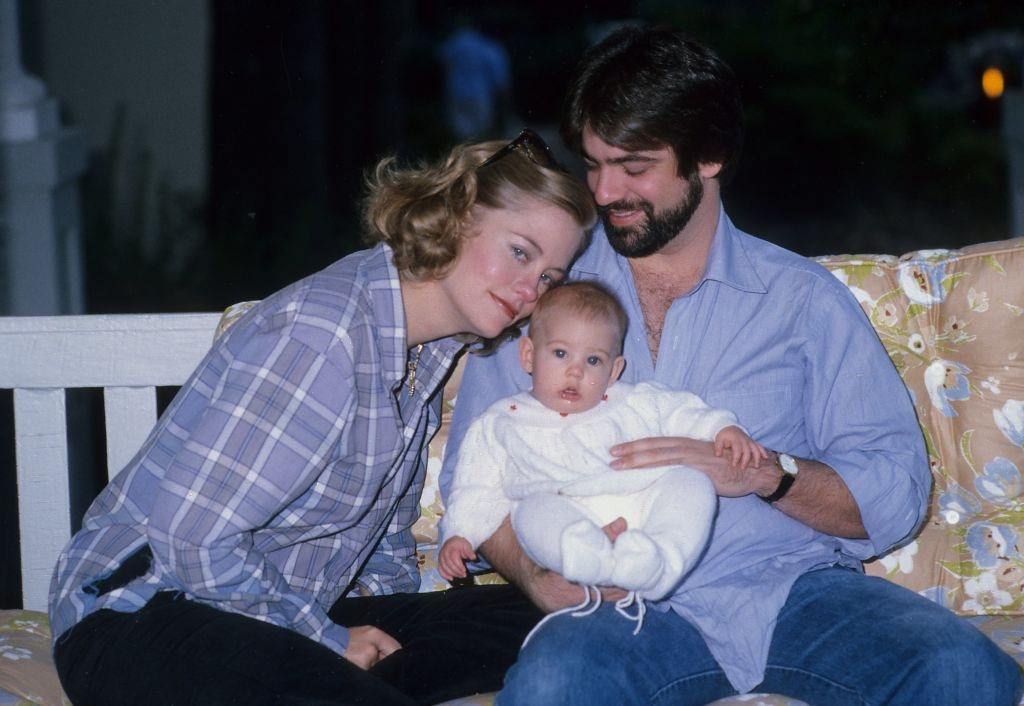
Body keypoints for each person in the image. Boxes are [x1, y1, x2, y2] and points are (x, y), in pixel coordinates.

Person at [441, 26, 1024, 706]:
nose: (603, 192)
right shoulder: (550, 292)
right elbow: (474, 474)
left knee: (961, 671)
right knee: (554, 684)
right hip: (618, 603)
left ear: (709, 155)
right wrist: (534, 575)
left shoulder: (800, 300)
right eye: (592, 164)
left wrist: (765, 474)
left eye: (633, 168)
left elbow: (894, 494)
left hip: (788, 593)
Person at [48, 130, 596, 706]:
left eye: (549, 278)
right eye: (520, 252)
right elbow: (190, 536)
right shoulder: (327, 336)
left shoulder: (424, 351)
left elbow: (383, 531)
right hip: (145, 614)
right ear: (456, 215)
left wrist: (379, 635)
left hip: (274, 608)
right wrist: (326, 639)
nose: (529, 289)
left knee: (548, 617)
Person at [438, 282, 765, 608]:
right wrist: (461, 533)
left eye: (593, 360)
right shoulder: (501, 422)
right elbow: (477, 487)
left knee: (691, 483)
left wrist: (723, 428)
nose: (575, 370)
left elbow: (684, 412)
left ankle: (659, 561)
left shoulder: (634, 400)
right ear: (528, 355)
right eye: (560, 353)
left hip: (640, 503)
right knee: (530, 511)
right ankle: (587, 558)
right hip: (565, 509)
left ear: (614, 370)